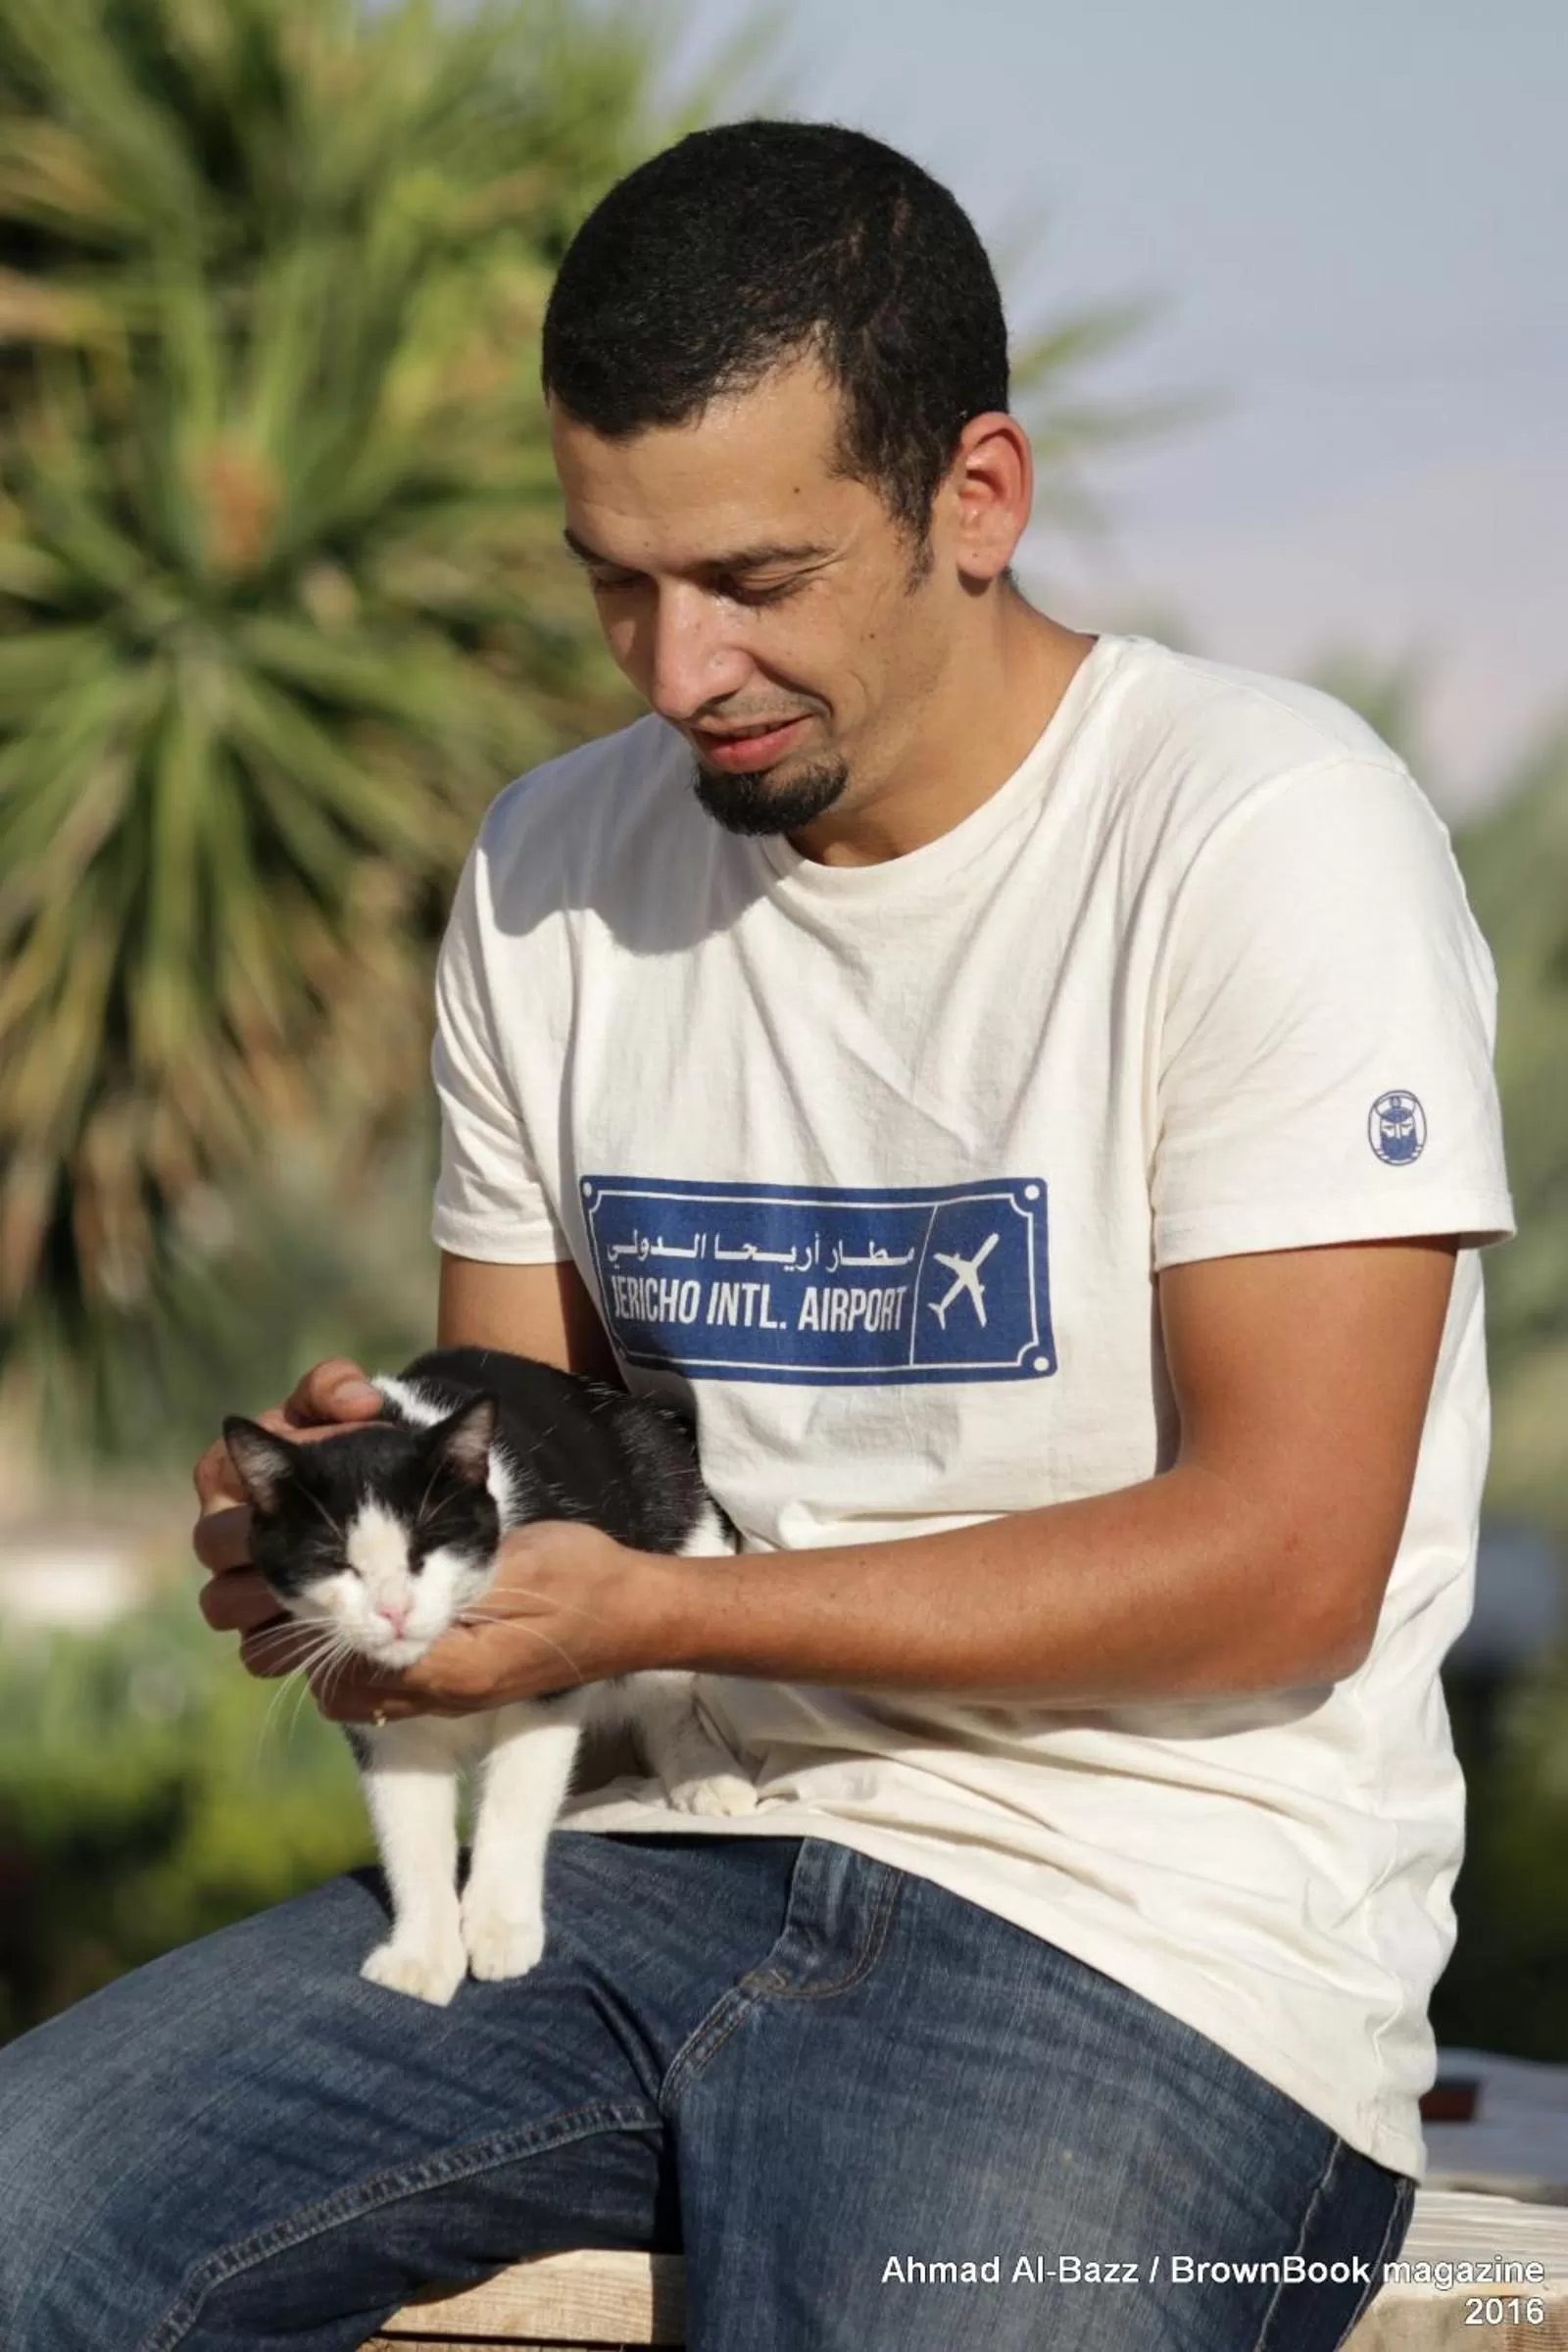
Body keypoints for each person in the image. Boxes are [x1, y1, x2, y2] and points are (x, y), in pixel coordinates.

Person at [0, 120, 1514, 2352]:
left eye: (752, 578)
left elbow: (1284, 1559)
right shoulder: (550, 869)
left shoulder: (1265, 835)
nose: (674, 666)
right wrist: (379, 1554)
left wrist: (669, 1608)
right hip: (619, 1880)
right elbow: (526, 1466)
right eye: (614, 580)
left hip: (1147, 1940)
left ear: (974, 498)